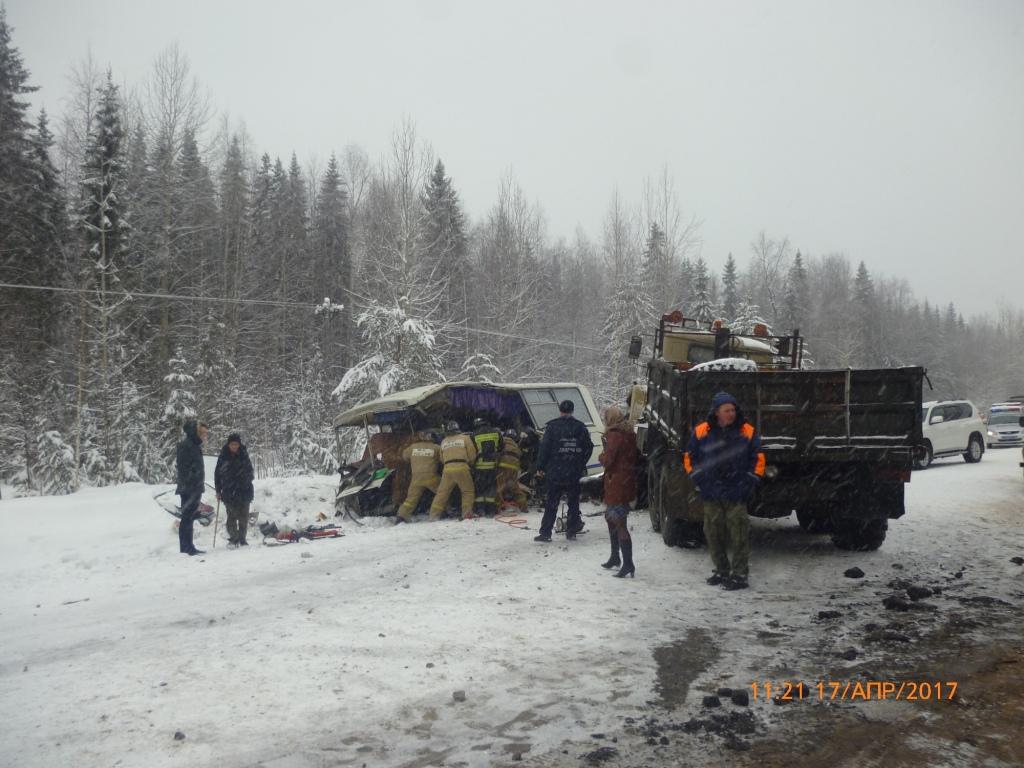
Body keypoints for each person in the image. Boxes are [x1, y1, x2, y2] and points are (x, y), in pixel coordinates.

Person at [683, 391, 765, 590]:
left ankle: (739, 575)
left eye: (733, 410)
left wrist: (749, 482)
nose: (731, 413)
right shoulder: (702, 430)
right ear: (717, 412)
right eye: (727, 410)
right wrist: (698, 478)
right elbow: (689, 457)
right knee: (713, 533)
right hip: (711, 492)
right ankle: (721, 570)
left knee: (739, 535)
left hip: (736, 492)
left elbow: (759, 458)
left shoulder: (747, 430)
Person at [534, 400, 594, 542]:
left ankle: (545, 533)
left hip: (555, 471)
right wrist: (580, 462)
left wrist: (541, 467)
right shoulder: (580, 427)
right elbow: (589, 447)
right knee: (573, 502)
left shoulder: (552, 427)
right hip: (574, 472)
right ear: (572, 411)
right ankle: (571, 530)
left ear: (560, 411)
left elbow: (545, 449)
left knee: (552, 502)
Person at [599, 406, 639, 578]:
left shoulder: (614, 435)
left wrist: (601, 456)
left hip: (616, 482)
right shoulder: (630, 434)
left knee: (618, 521)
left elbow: (608, 460)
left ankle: (627, 563)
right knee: (611, 518)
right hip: (626, 480)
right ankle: (615, 557)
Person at [428, 421, 478, 521]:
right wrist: (471, 464)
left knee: (442, 493)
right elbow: (472, 455)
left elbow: (441, 458)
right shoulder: (465, 438)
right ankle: (467, 513)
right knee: (467, 491)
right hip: (462, 466)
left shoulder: (444, 441)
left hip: (447, 469)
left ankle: (433, 515)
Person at [214, 432, 255, 547]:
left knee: (243, 517)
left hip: (244, 491)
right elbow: (217, 475)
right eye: (232, 444)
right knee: (231, 516)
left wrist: (245, 480)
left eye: (236, 444)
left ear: (239, 444)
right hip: (229, 492)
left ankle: (242, 539)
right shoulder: (223, 457)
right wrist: (218, 490)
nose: (234, 446)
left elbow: (250, 472)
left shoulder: (244, 455)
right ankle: (234, 538)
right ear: (228, 444)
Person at [175, 419, 209, 556]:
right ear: (195, 432)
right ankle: (186, 548)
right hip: (189, 488)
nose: (204, 436)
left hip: (194, 487)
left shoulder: (194, 445)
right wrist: (193, 483)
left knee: (190, 517)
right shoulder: (186, 445)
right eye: (202, 433)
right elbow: (183, 468)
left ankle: (189, 546)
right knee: (187, 518)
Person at [396, 431, 442, 522]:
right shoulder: (436, 448)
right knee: (442, 493)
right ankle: (440, 512)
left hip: (416, 478)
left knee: (411, 499)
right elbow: (443, 459)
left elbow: (404, 456)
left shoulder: (413, 447)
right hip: (431, 476)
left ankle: (401, 516)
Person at [472, 417, 502, 516]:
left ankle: (481, 510)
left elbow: (472, 451)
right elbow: (501, 447)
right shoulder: (496, 432)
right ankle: (491, 510)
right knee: (491, 488)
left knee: (480, 489)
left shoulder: (474, 435)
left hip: (480, 467)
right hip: (493, 466)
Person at [496, 429, 528, 513]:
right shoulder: (515, 445)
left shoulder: (501, 441)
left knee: (499, 487)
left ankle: (497, 507)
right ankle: (524, 506)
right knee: (514, 487)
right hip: (514, 467)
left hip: (503, 466)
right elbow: (520, 455)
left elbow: (496, 453)